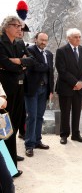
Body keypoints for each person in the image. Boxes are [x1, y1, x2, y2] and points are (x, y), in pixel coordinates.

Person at [0, 16, 36, 177]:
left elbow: (32, 61)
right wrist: (20, 64)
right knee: (4, 129)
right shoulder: (1, 42)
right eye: (16, 26)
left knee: (13, 127)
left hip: (18, 88)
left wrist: (18, 61)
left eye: (20, 27)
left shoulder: (19, 43)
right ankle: (8, 168)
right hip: (4, 92)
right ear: (6, 27)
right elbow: (5, 64)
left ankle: (11, 162)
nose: (19, 29)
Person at [55, 28, 82, 145]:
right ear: (69, 38)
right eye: (75, 37)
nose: (78, 39)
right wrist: (75, 83)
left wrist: (81, 82)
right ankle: (64, 135)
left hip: (79, 89)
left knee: (77, 111)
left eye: (79, 37)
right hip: (66, 87)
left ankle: (76, 134)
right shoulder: (61, 51)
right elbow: (62, 70)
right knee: (65, 112)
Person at [24, 32, 54, 157]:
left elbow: (51, 72)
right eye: (41, 40)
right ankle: (29, 145)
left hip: (45, 89)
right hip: (32, 89)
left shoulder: (49, 54)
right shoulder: (29, 50)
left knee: (40, 116)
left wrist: (51, 90)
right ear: (35, 39)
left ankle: (37, 141)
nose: (43, 42)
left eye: (45, 40)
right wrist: (45, 66)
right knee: (32, 116)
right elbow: (35, 67)